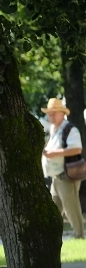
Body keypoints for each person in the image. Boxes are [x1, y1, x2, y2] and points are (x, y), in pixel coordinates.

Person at [41, 97, 84, 238]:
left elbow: (77, 149)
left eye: (53, 113)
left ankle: (79, 235)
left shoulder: (70, 129)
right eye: (49, 113)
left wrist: (54, 153)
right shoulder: (54, 129)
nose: (50, 116)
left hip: (66, 175)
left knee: (71, 207)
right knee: (53, 208)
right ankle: (51, 235)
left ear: (62, 113)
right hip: (56, 177)